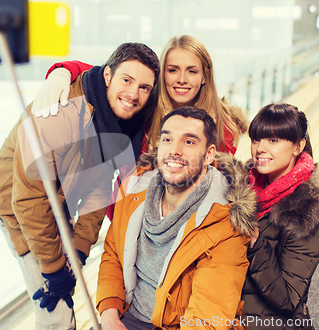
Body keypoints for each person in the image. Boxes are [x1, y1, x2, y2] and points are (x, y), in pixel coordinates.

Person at [0, 43, 160, 330]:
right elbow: (29, 200)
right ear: (107, 76)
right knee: (57, 308)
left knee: (65, 296)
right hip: (18, 205)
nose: (133, 94)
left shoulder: (119, 121)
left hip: (58, 201)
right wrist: (54, 270)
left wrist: (78, 250)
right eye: (127, 80)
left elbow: (101, 186)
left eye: (144, 87)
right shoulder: (58, 114)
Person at [96, 107, 256, 330]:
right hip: (126, 314)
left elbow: (206, 316)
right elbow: (113, 253)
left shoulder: (225, 222)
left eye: (189, 142)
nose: (175, 150)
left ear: (209, 155)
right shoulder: (135, 191)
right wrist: (109, 313)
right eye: (168, 139)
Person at [33, 35, 248, 155]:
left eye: (192, 71)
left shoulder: (225, 127)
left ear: (204, 76)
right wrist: (61, 72)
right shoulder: (144, 107)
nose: (181, 79)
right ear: (162, 75)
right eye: (173, 70)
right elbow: (106, 73)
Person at [242, 103, 319, 330]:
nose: (260, 148)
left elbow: (288, 299)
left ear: (298, 146)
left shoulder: (307, 210)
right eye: (255, 139)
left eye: (273, 140)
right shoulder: (244, 189)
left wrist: (255, 241)